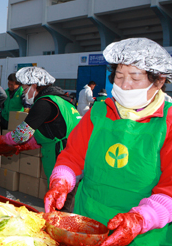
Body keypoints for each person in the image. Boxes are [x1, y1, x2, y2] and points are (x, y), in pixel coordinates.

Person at [44, 38, 172, 246]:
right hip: (88, 223)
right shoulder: (99, 112)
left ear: (158, 81)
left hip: (144, 234)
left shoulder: (168, 123)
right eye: (119, 76)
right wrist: (62, 181)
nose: (124, 85)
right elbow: (73, 157)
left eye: (135, 78)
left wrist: (140, 219)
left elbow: (170, 188)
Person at [0, 66, 81, 212]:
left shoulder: (44, 103)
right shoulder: (62, 100)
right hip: (76, 157)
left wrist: (0, 141)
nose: (23, 93)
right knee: (71, 197)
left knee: (61, 202)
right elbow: (49, 133)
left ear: (34, 86)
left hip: (62, 156)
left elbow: (21, 134)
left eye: (24, 89)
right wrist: (22, 147)